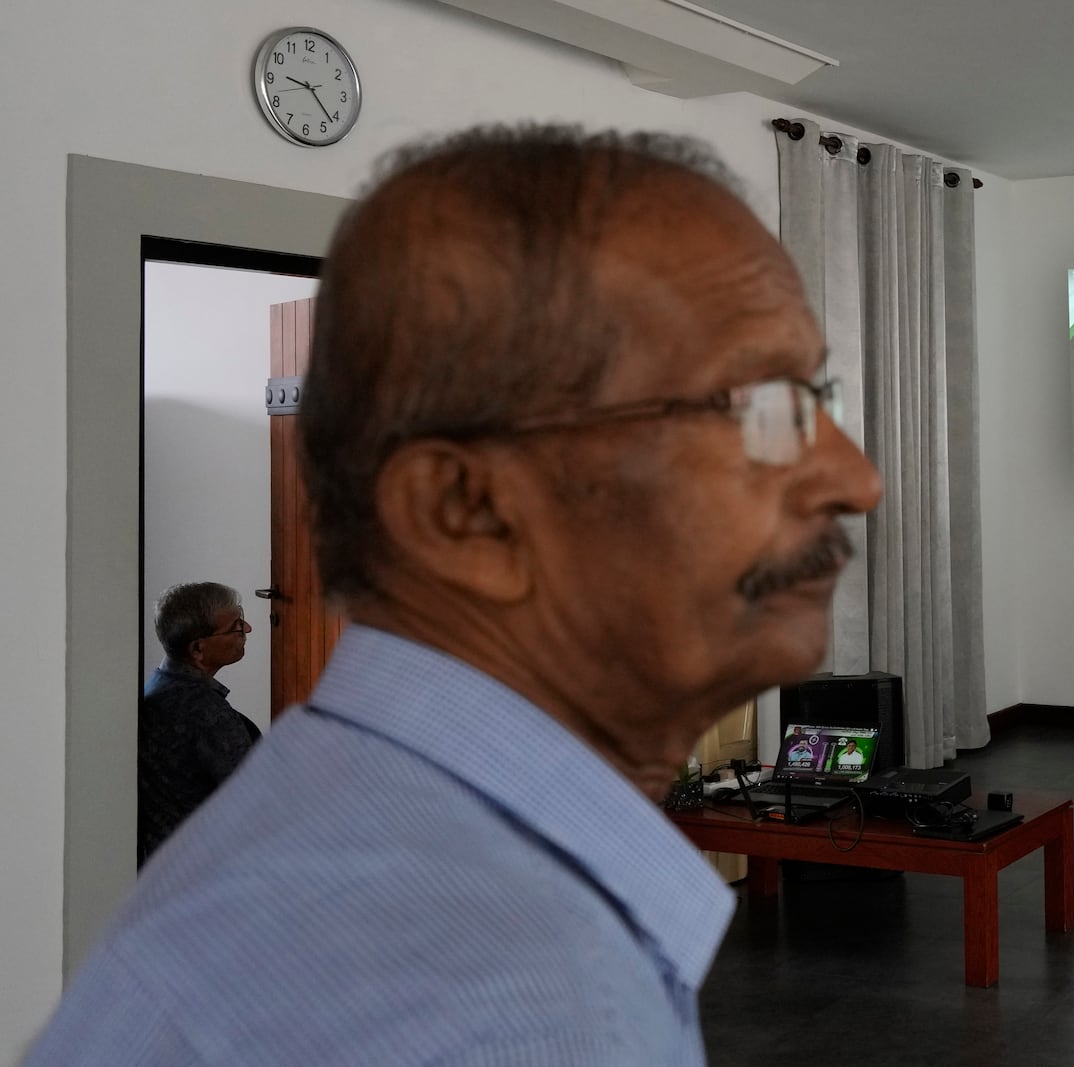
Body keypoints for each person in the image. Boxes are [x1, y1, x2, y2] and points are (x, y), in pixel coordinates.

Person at [26, 125, 882, 1065]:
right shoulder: (495, 997)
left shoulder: (405, 875)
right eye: (753, 405)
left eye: (814, 398)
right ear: (468, 510)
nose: (854, 478)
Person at [138, 581, 260, 866]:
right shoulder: (205, 713)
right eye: (237, 627)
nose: (248, 630)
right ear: (198, 649)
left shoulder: (157, 685)